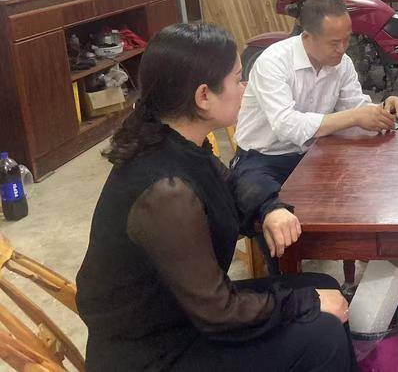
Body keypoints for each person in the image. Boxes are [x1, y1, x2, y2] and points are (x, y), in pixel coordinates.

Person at [76, 23, 356, 371]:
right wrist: (304, 304)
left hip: (183, 315)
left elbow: (233, 184)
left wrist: (269, 207)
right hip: (155, 352)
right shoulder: (166, 191)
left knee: (323, 285)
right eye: (238, 79)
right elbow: (219, 312)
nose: (245, 87)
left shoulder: (175, 141)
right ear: (203, 96)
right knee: (322, 330)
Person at [232, 0, 398, 251]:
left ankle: (367, 251)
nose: (342, 49)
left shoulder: (342, 64)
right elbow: (287, 125)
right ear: (307, 37)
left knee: (368, 191)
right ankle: (287, 271)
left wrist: (384, 107)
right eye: (334, 42)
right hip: (263, 159)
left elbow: (355, 107)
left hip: (312, 154)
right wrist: (355, 117)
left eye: (347, 39)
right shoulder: (273, 62)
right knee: (273, 217)